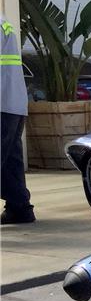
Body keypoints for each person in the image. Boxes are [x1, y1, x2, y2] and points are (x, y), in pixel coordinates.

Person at [1, 13, 35, 224]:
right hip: (12, 102)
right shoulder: (3, 21)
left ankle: (20, 207)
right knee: (9, 163)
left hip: (3, 102)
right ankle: (19, 209)